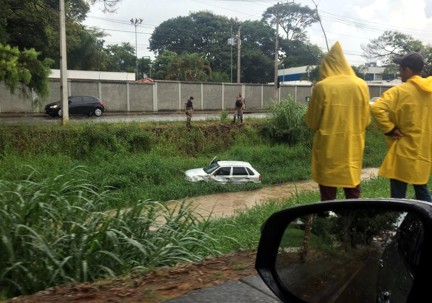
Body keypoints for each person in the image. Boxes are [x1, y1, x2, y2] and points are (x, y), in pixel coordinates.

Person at [305, 42, 371, 201]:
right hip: (352, 147)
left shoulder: (322, 87)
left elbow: (312, 123)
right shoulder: (361, 85)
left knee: (328, 195)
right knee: (353, 190)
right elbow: (366, 121)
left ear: (326, 66)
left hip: (329, 148)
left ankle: (327, 220)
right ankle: (353, 221)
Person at [370, 52, 432, 202]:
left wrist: (390, 129)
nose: (399, 73)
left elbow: (376, 108)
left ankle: (397, 219)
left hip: (404, 147)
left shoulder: (398, 92)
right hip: (424, 149)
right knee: (421, 188)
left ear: (408, 70)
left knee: (398, 193)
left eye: (401, 69)